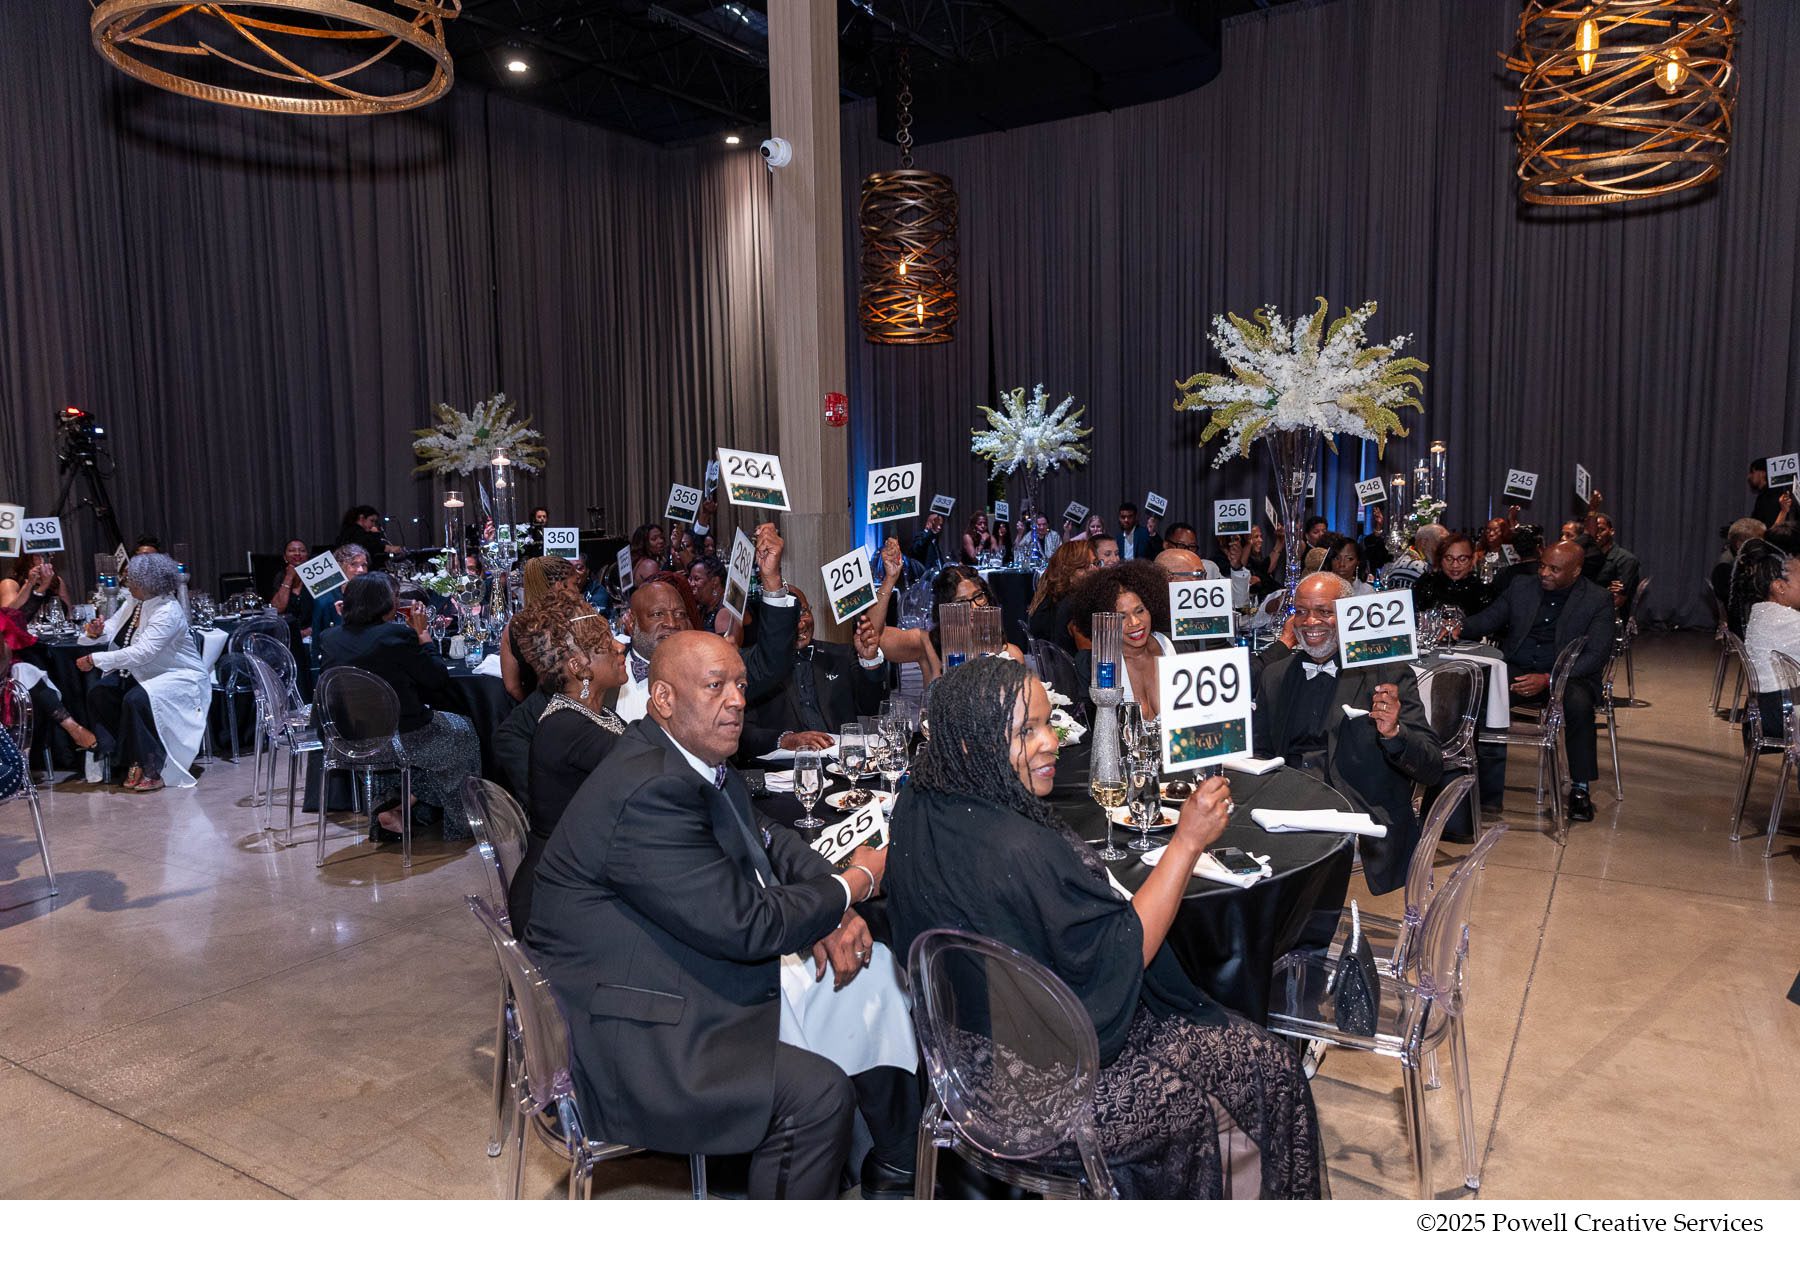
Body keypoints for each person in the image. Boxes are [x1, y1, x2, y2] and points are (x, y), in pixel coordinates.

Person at [885, 658, 1323, 1198]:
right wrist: (1186, 843)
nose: (1051, 743)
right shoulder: (1021, 850)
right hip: (1044, 1082)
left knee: (1240, 1062)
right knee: (1269, 1066)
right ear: (973, 744)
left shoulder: (917, 800)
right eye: (1026, 731)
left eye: (1049, 723)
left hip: (960, 1064)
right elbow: (1120, 957)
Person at [525, 631, 894, 1200]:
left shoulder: (685, 756)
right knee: (816, 1097)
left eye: (741, 685)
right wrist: (854, 883)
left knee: (870, 979)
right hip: (628, 1032)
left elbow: (766, 837)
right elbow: (751, 927)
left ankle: (884, 1171)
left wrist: (828, 901)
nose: (738, 700)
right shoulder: (651, 787)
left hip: (646, 971)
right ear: (664, 699)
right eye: (716, 686)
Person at [1251, 572, 1442, 894]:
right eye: (1301, 611)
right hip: (1284, 805)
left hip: (1355, 810)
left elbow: (1432, 767)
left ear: (1350, 616)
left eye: (1325, 612)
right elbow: (1260, 753)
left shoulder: (1387, 675)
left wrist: (1394, 732)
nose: (1310, 621)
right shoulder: (1276, 675)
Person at [1455, 541, 1614, 823]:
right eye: (1542, 565)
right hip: (1519, 666)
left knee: (1579, 705)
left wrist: (1549, 678)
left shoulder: (1597, 599)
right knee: (1480, 694)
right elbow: (1490, 618)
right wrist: (1458, 628)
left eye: (1554, 569)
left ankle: (1579, 788)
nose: (1544, 573)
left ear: (1576, 571)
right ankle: (1484, 792)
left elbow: (1596, 655)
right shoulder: (1521, 587)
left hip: (1567, 674)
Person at [316, 573, 480, 840]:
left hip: (344, 742)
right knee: (464, 731)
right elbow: (436, 679)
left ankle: (398, 805)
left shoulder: (329, 637)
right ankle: (459, 823)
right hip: (397, 740)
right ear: (385, 603)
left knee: (419, 740)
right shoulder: (396, 635)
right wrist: (423, 634)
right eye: (394, 598)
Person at [511, 598, 629, 936]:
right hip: (558, 904)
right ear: (579, 668)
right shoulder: (568, 728)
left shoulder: (593, 715)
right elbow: (651, 762)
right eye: (607, 644)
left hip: (577, 877)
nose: (620, 646)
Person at [616, 524, 798, 723]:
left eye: (680, 614)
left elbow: (770, 662)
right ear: (631, 622)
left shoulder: (710, 663)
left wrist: (771, 579)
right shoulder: (606, 672)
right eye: (658, 614)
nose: (672, 623)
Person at [74, 553, 209, 792]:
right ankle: (125, 757)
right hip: (142, 672)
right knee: (100, 692)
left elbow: (143, 652)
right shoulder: (135, 603)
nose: (128, 584)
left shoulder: (167, 611)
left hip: (177, 675)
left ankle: (150, 766)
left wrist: (96, 659)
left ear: (148, 584)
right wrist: (96, 632)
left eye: (133, 580)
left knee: (136, 699)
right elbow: (114, 628)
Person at [739, 587, 886, 760]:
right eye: (790, 617)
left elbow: (871, 707)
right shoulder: (754, 667)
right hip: (784, 773)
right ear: (771, 625)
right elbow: (742, 734)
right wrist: (786, 739)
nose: (801, 624)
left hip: (843, 767)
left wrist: (869, 661)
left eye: (803, 612)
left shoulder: (840, 655)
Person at [1065, 560, 1174, 717]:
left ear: (1152, 608)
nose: (1135, 623)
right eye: (1121, 617)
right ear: (1106, 622)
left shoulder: (1177, 648)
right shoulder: (1090, 666)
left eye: (1140, 611)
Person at [500, 555, 580, 702]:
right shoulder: (575, 622)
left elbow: (512, 686)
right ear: (560, 586)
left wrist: (534, 707)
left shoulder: (512, 627)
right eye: (575, 584)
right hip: (575, 711)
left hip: (533, 714)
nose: (577, 591)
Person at [1028, 540, 1097, 651]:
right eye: (1085, 567)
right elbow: (1090, 656)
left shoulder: (1049, 596)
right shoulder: (1074, 605)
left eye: (1095, 563)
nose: (1095, 570)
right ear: (1067, 571)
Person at [309, 543, 370, 654]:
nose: (361, 570)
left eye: (364, 565)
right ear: (339, 566)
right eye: (354, 564)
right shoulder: (325, 600)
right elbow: (317, 641)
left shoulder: (372, 594)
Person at [1414, 533, 1494, 613]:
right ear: (1440, 559)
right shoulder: (1427, 583)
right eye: (1449, 558)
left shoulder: (1482, 590)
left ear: (1472, 559)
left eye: (1462, 559)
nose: (1455, 565)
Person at [1583, 511, 1642, 617]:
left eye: (1601, 530)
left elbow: (1617, 599)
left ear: (1611, 531)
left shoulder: (1626, 559)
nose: (1597, 534)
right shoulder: (1585, 557)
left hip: (1611, 617)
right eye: (1593, 531)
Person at [1714, 517, 1767, 609]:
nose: (1764, 546)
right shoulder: (1725, 569)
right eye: (1758, 542)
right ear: (1740, 544)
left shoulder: (1754, 563)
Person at [335, 505, 400, 573]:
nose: (373, 524)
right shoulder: (358, 533)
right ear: (361, 518)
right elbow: (372, 546)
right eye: (371, 521)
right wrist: (376, 535)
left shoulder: (349, 530)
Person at [0, 555, 74, 611]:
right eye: (37, 557)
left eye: (45, 556)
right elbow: (8, 616)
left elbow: (69, 613)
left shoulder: (56, 580)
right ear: (27, 560)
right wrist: (30, 585)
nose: (42, 561)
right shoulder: (10, 583)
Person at [1748, 458, 1785, 529]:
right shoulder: (1766, 495)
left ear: (1763, 473)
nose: (1749, 476)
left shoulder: (1771, 497)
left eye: (1752, 472)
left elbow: (1767, 526)